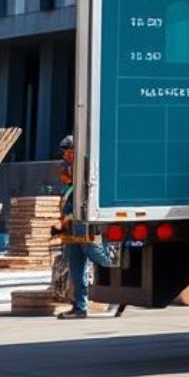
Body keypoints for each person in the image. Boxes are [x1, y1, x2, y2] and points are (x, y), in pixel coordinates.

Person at [54, 134, 115, 318]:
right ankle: (80, 307)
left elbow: (85, 197)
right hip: (70, 223)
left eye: (69, 152)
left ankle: (118, 296)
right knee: (75, 265)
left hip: (83, 222)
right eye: (65, 153)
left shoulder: (88, 168)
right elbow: (68, 195)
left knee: (98, 256)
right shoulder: (69, 170)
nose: (66, 156)